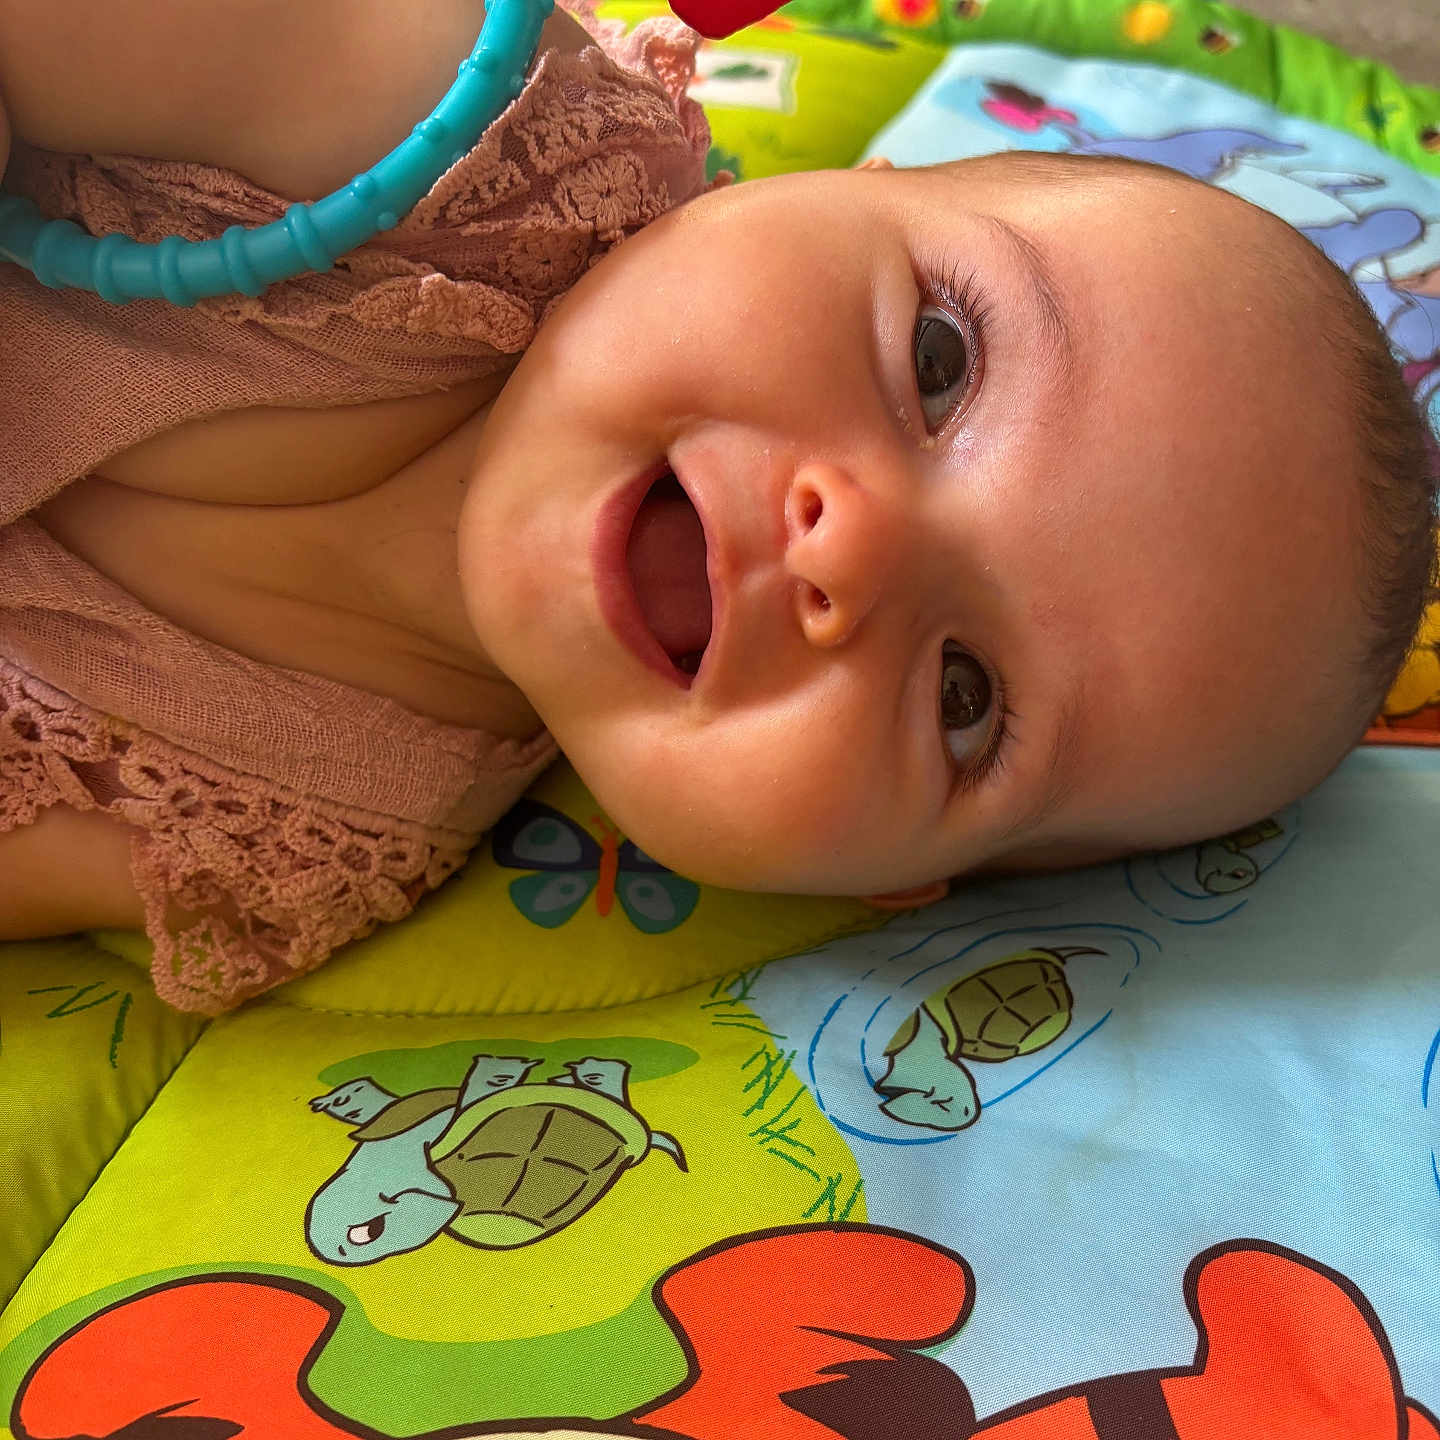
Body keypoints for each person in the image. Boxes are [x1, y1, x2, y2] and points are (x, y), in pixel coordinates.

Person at [0, 0, 1434, 1012]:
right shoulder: (448, 144)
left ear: (884, 885)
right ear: (840, 188)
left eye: (964, 699)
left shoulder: (287, 833)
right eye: (939, 360)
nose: (852, 549)